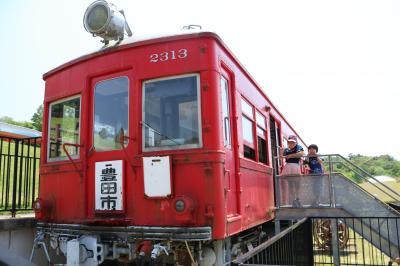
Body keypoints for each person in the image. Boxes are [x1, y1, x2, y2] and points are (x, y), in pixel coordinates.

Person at [279, 135, 304, 207]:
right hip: (288, 167)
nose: (291, 144)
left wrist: (291, 155)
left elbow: (301, 154)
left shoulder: (298, 147)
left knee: (297, 184)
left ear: (296, 142)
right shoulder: (286, 149)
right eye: (289, 142)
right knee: (290, 185)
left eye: (293, 142)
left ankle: (297, 198)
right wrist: (281, 152)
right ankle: (294, 200)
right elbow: (281, 158)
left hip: (295, 166)